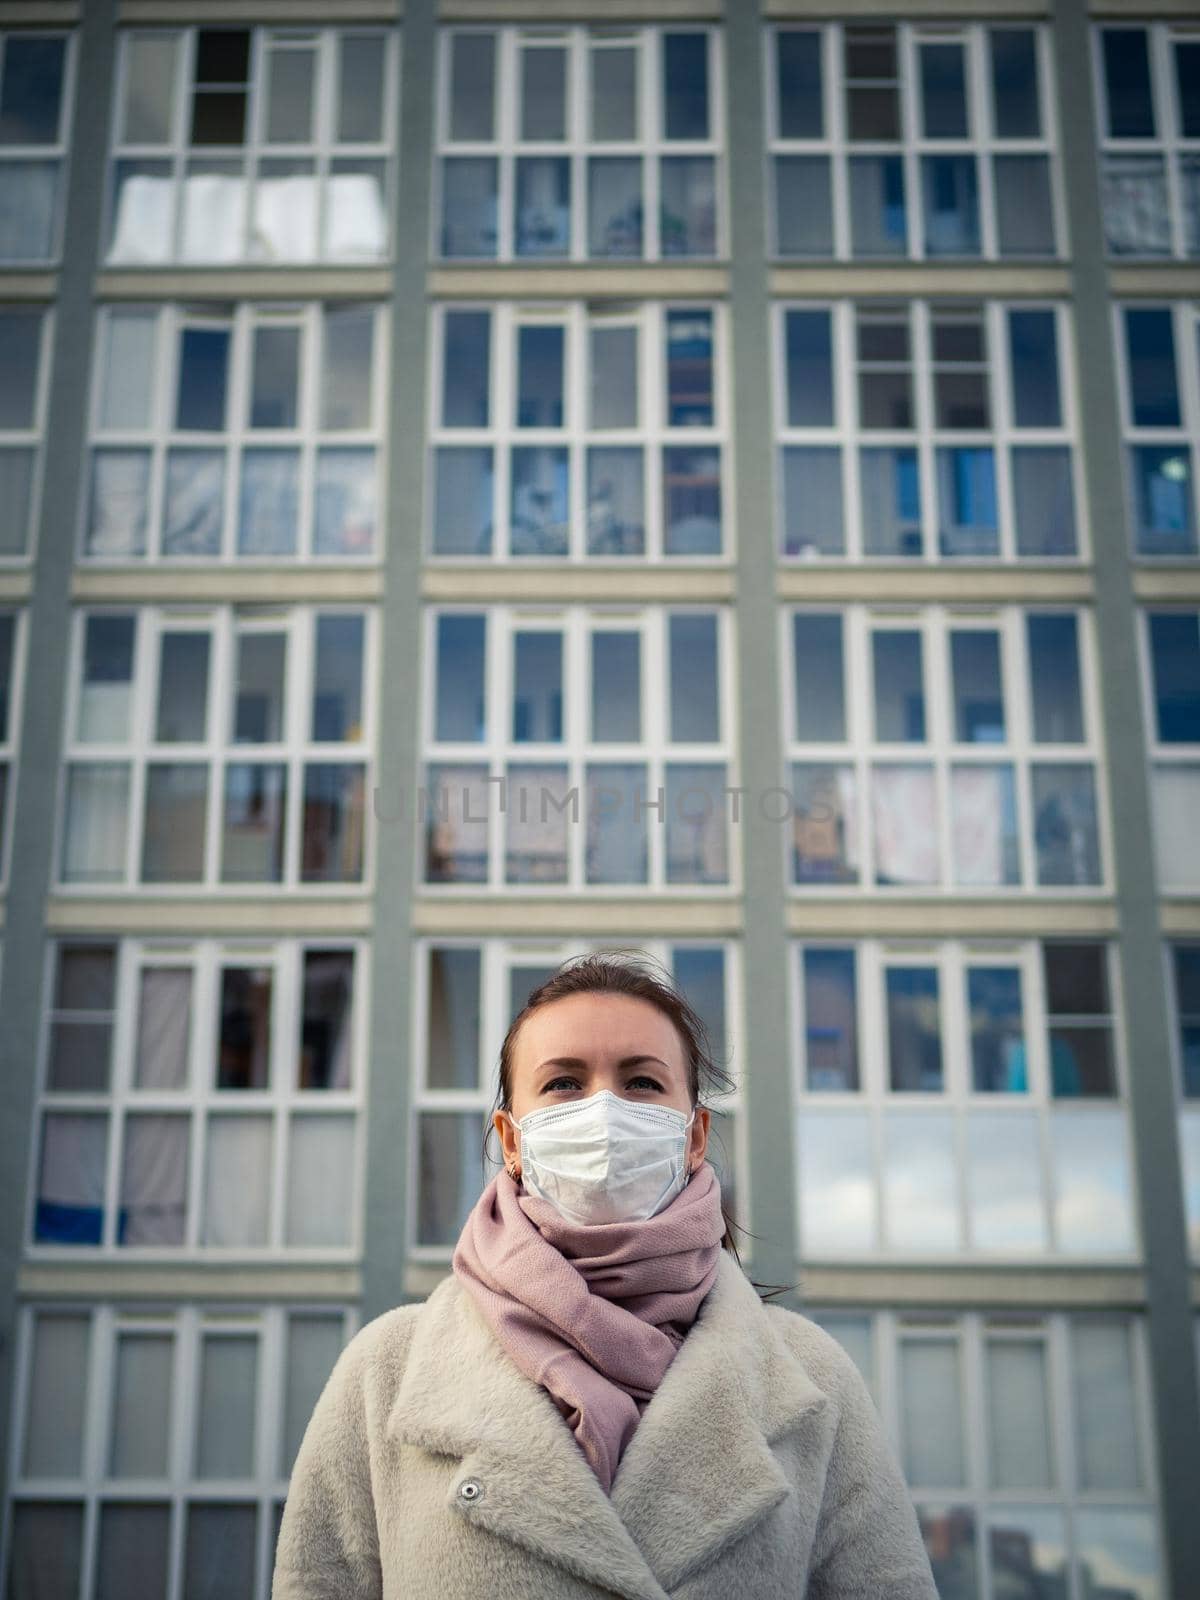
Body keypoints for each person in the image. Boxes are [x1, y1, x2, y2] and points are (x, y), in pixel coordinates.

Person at [272, 951, 938, 1599]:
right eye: (563, 1082)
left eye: (641, 1082)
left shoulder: (813, 1380)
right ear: (512, 1141)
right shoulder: (385, 1372)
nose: (604, 1113)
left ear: (694, 1135)